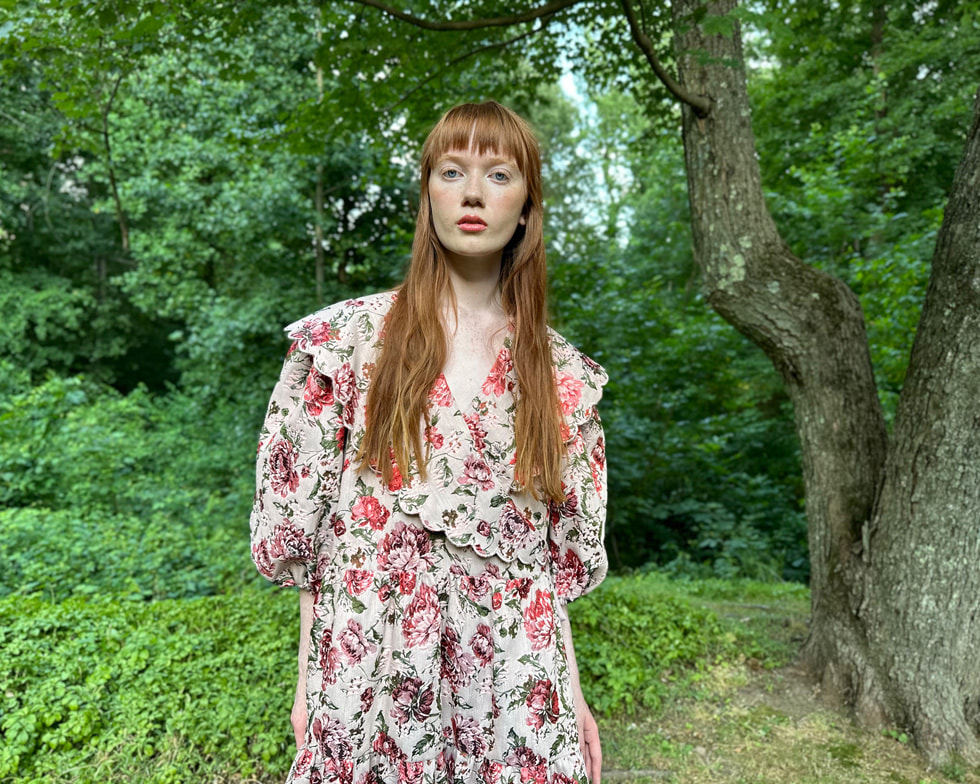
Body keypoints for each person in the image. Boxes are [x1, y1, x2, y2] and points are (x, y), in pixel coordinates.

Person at [250, 100, 608, 784]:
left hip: (514, 680)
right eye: (452, 170)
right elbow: (311, 541)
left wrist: (573, 696)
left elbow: (550, 567)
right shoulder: (344, 347)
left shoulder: (561, 377)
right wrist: (307, 687)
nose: (473, 192)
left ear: (527, 206)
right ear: (428, 194)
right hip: (371, 673)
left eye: (499, 175)